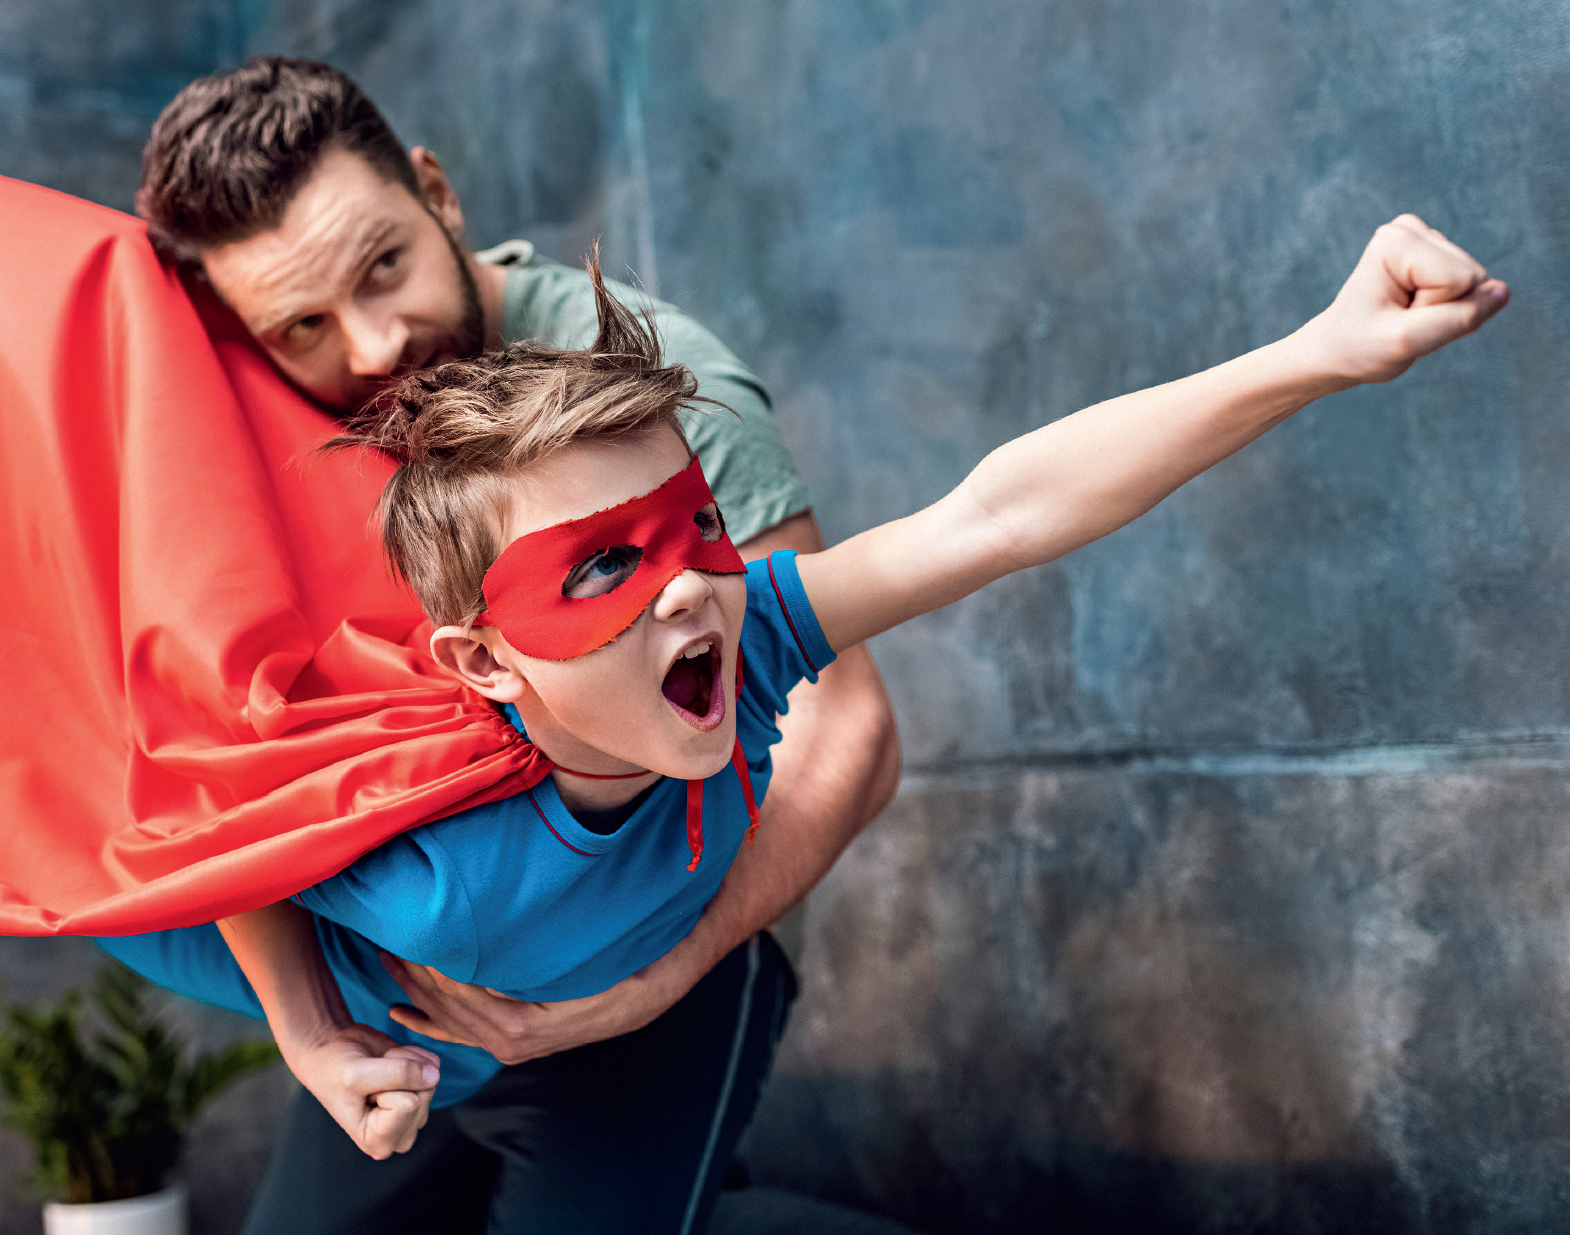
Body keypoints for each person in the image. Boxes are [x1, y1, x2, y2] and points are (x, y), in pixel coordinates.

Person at [109, 213, 1505, 1232]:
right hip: (438, 1033)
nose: (685, 592)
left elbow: (1000, 511)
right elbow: (212, 846)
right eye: (600, 567)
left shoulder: (753, 624)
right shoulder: (432, 860)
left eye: (693, 527)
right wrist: (313, 1032)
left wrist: (1318, 353)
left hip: (657, 1014)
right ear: (483, 660)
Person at [119, 49, 898, 1198]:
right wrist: (308, 1016)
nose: (372, 346)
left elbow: (852, 729)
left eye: (384, 266)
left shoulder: (654, 387)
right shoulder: (293, 422)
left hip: (656, 964)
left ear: (436, 193)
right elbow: (229, 741)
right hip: (419, 988)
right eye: (303, 324)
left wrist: (642, 984)